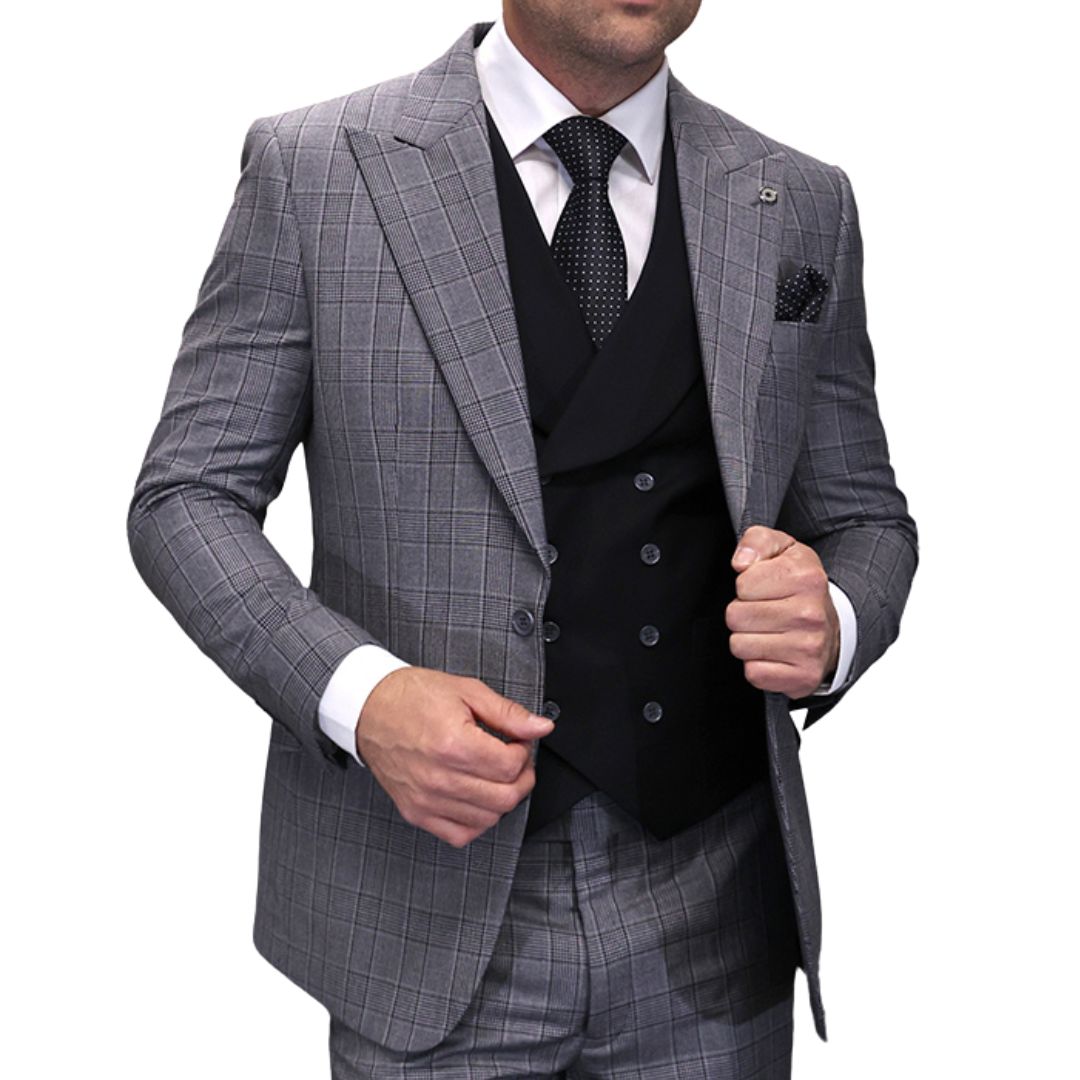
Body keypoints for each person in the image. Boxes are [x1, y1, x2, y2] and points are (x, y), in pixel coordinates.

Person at [128, 2, 917, 1075]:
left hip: (716, 918)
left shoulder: (800, 198)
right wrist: (362, 698)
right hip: (430, 910)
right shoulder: (318, 169)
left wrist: (833, 619)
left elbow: (866, 517)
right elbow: (187, 496)